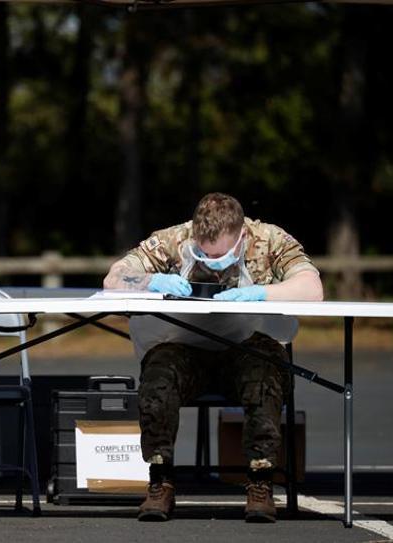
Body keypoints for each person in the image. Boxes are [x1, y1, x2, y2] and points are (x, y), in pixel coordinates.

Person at [103, 192, 323, 523]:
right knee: (158, 374)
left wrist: (262, 292)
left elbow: (311, 288)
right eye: (204, 254)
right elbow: (114, 279)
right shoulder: (173, 239)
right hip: (187, 349)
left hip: (248, 347)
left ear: (243, 236)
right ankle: (160, 479)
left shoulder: (270, 238)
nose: (212, 261)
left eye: (221, 254)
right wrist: (151, 280)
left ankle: (260, 481)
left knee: (266, 372)